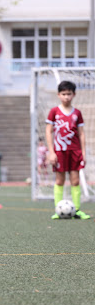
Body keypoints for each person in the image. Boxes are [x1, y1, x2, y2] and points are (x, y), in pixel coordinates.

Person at [46, 80, 90, 220]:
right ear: (58, 95)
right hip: (59, 151)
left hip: (75, 151)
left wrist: (83, 153)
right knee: (59, 180)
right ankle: (58, 210)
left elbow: (81, 133)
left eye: (69, 94)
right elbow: (48, 132)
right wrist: (51, 152)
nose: (66, 97)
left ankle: (76, 210)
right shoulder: (54, 112)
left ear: (74, 95)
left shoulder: (77, 113)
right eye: (63, 94)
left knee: (75, 180)